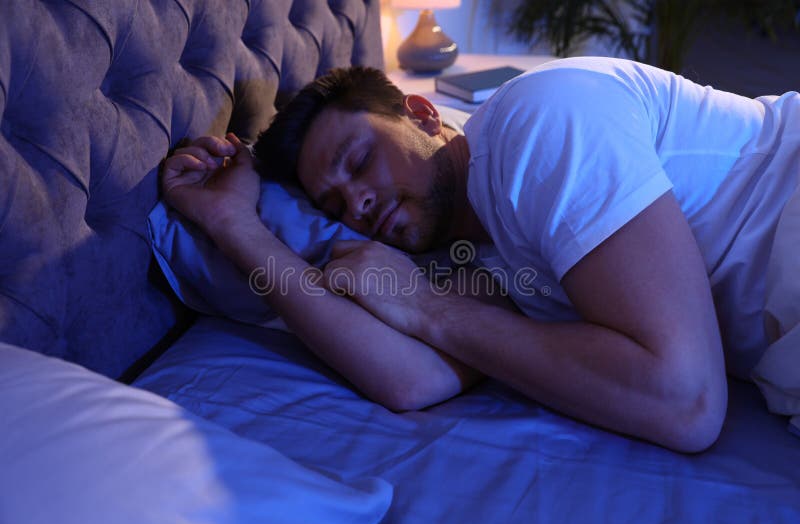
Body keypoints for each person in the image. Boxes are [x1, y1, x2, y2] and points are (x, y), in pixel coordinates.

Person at [161, 57, 800, 453]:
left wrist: (424, 305)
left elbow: (685, 401)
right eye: (333, 208)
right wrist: (233, 225)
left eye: (359, 160)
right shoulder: (479, 253)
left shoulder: (537, 126)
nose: (356, 205)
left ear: (421, 111)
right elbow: (412, 379)